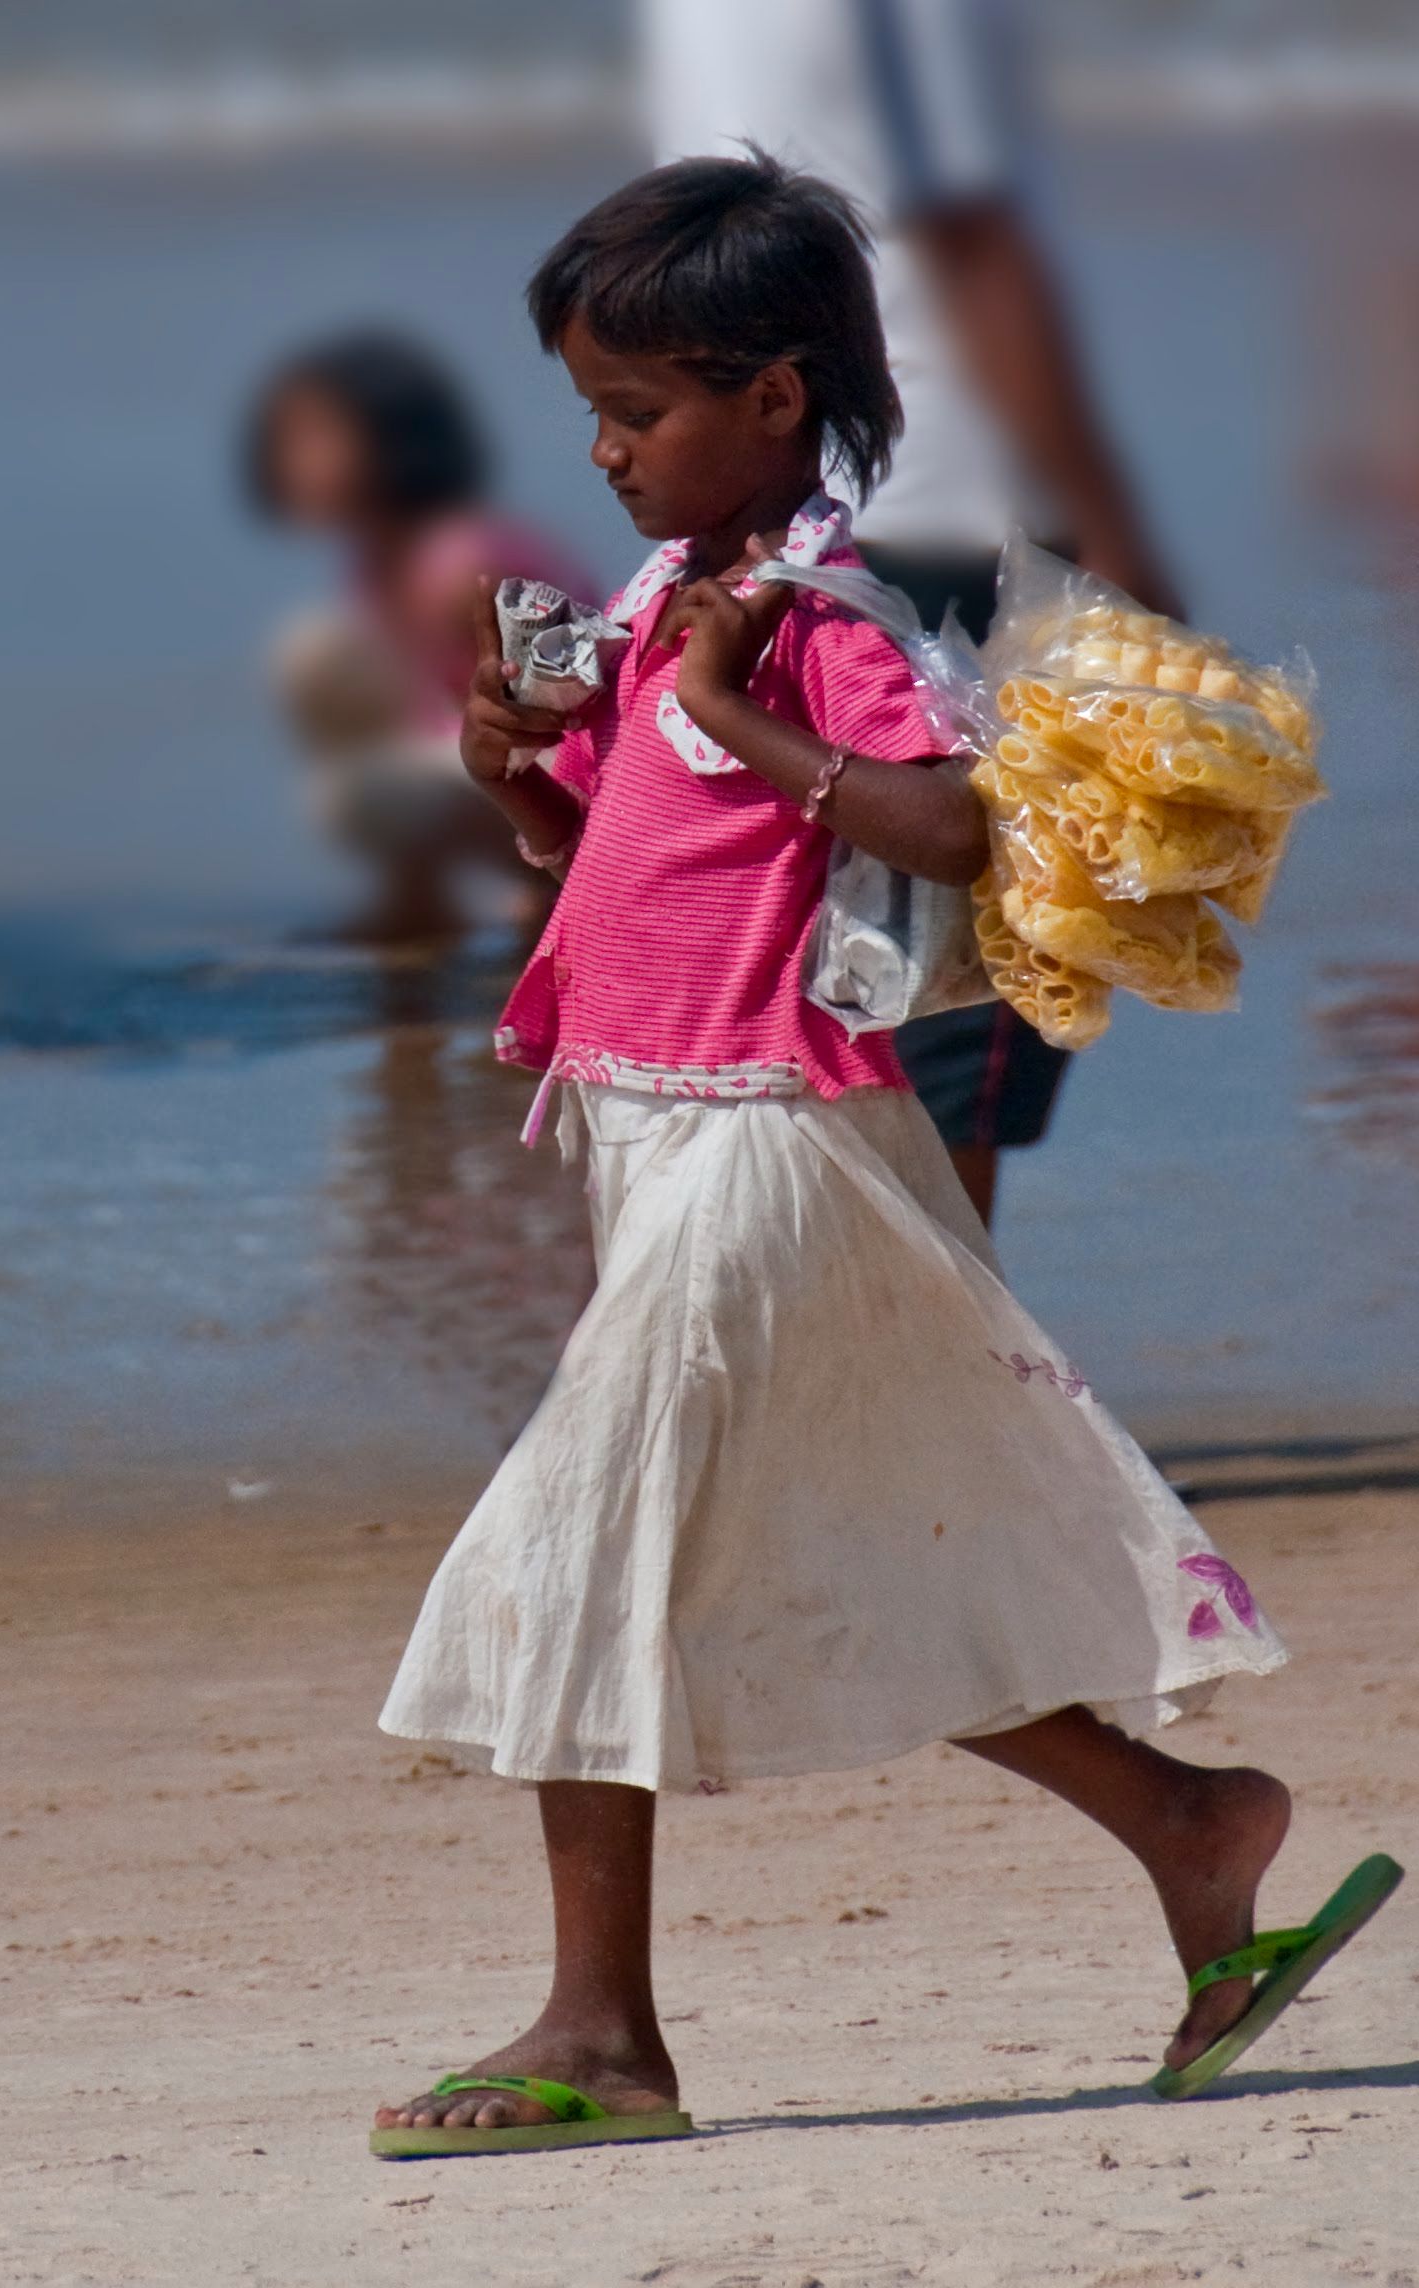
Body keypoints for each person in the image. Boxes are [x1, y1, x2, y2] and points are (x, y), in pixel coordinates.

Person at [365, 158, 1397, 2158]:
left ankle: (604, 2036)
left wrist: (737, 707)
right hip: (652, 1134)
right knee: (811, 1554)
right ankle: (1194, 1831)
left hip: (780, 1139)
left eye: (638, 410)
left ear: (772, 399)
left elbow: (943, 833)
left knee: (582, 1541)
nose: (603, 451)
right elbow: (616, 870)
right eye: (586, 409)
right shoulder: (668, 607)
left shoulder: (809, 620)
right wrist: (518, 767)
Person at [641, 0, 1183, 1225]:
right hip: (939, 502)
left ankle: (848, 1366)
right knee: (958, 987)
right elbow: (967, 229)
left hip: (774, 502)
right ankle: (942, 1380)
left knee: (804, 968)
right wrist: (1114, 525)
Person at [242, 329, 595, 938]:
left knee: (361, 791)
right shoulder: (379, 560)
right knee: (315, 653)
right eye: (287, 439)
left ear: (390, 438)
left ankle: (552, 886)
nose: (295, 459)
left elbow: (569, 708)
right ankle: (419, 893)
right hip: (475, 756)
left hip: (569, 769)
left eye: (318, 436)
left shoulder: (462, 561)